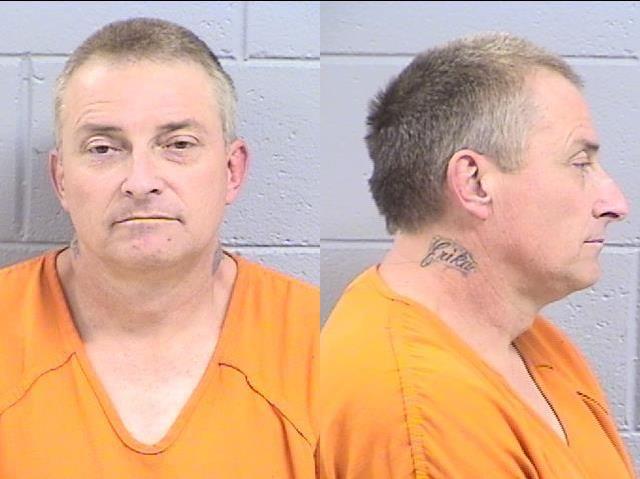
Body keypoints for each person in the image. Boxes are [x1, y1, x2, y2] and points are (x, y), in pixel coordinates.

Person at [0, 18, 318, 478]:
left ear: (232, 171)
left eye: (178, 144)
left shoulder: (318, 345)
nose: (141, 182)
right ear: (61, 179)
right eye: (103, 149)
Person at [318, 33, 634, 478]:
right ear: (474, 183)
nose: (615, 204)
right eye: (580, 163)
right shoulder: (423, 420)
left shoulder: (536, 345)